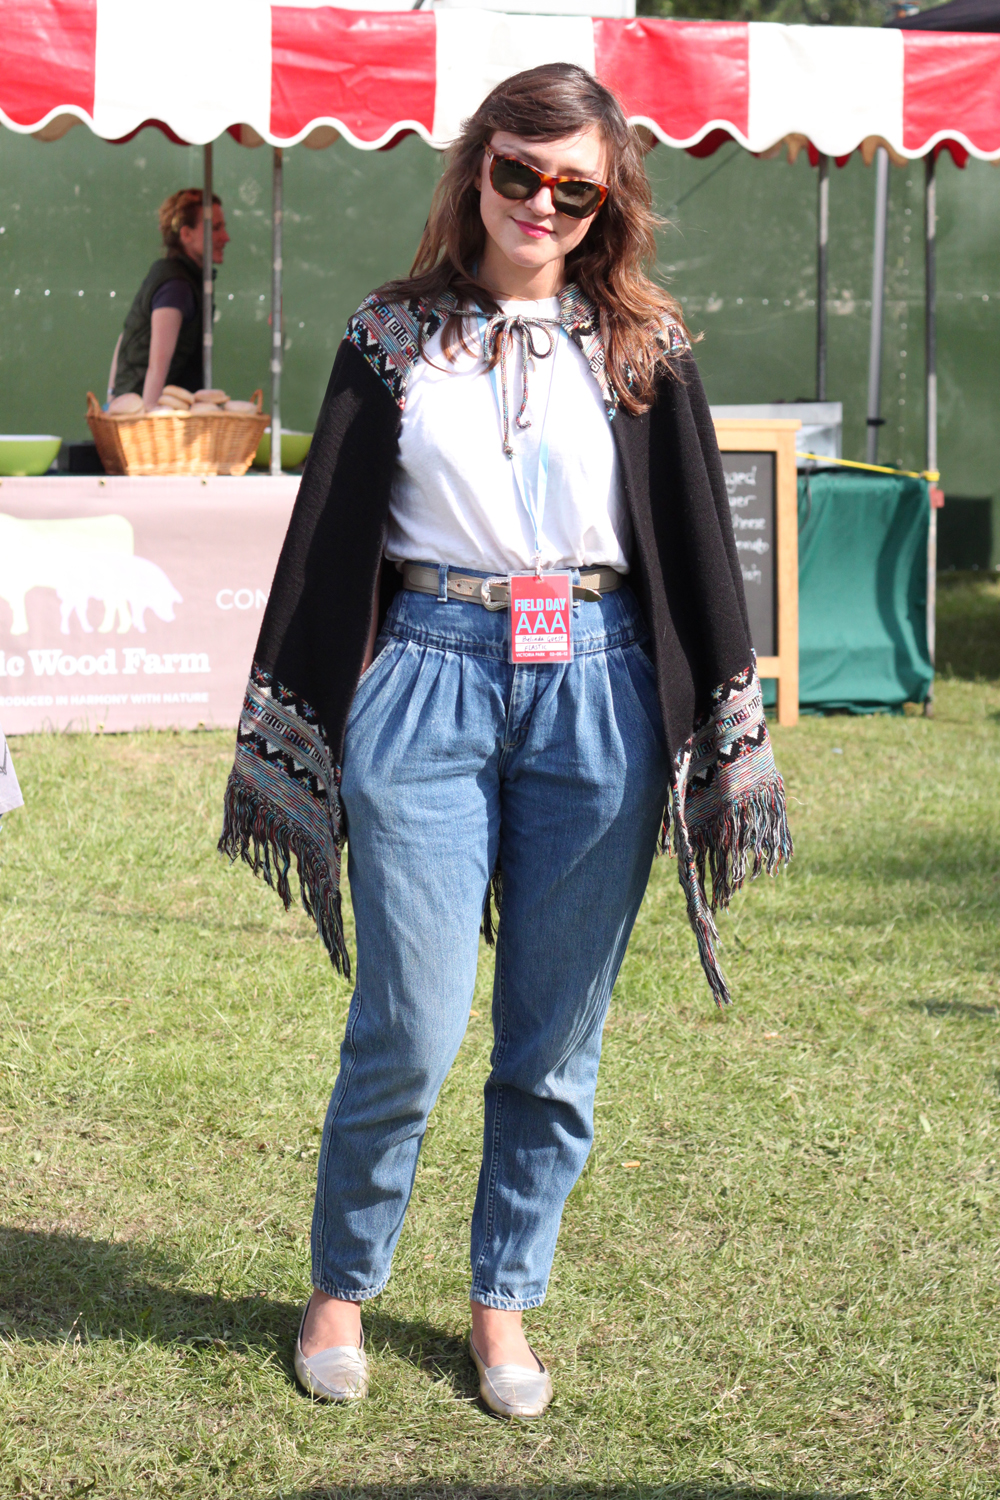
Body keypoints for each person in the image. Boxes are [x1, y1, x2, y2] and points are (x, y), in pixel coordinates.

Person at [219, 63, 791, 1419]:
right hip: (427, 675)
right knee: (409, 1026)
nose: (541, 202)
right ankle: (341, 1286)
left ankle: (503, 1301)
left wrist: (724, 734)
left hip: (597, 688)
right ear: (477, 166)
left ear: (608, 201)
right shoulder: (391, 334)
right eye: (519, 172)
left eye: (573, 187)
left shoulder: (645, 343)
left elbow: (695, 547)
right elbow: (328, 537)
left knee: (554, 1038)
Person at [108, 189, 230, 409]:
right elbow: (157, 367)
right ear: (186, 234)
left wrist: (111, 398)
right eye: (215, 228)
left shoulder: (175, 277)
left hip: (136, 408)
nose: (225, 237)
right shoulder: (177, 286)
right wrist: (147, 420)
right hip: (150, 416)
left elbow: (124, 337)